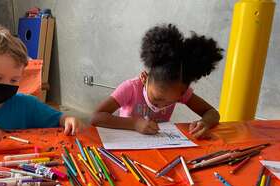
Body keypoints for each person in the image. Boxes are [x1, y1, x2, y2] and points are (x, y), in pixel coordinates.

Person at [91, 24, 223, 139]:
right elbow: (96, 117)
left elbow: (212, 113)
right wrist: (135, 124)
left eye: (171, 102)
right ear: (145, 78)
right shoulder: (130, 88)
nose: (160, 106)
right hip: (126, 146)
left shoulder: (179, 91)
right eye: (157, 99)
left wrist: (204, 123)